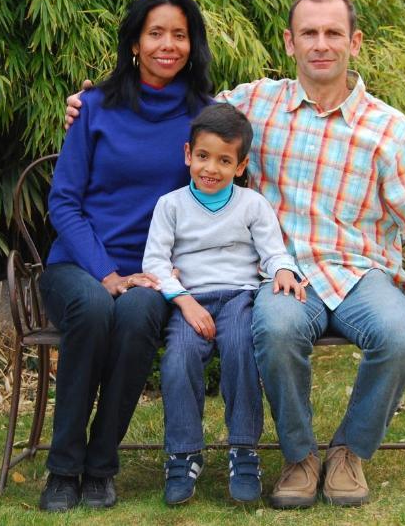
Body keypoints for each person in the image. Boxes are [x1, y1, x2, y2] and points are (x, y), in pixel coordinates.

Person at [66, 0, 405, 508]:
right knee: (276, 330)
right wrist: (94, 104)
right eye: (309, 33)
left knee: (399, 335)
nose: (320, 45)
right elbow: (172, 108)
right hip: (281, 276)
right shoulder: (254, 103)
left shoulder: (388, 128)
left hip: (358, 272)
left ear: (355, 42)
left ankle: (349, 452)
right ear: (290, 42)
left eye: (333, 33)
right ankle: (301, 457)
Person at [38, 0, 213, 512]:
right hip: (77, 262)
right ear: (135, 42)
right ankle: (63, 469)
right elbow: (63, 203)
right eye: (155, 33)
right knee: (93, 308)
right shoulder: (94, 107)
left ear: (192, 44)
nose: (168, 45)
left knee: (138, 314)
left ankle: (100, 463)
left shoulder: (206, 113)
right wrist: (106, 272)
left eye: (179, 35)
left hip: (155, 272)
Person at [141, 103, 306, 506]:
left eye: (224, 160)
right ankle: (183, 455)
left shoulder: (251, 204)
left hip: (238, 297)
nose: (210, 168)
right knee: (177, 359)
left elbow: (272, 250)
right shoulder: (171, 205)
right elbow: (155, 262)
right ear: (187, 155)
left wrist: (283, 269)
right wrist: (182, 301)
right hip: (189, 301)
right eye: (202, 156)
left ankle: (244, 451)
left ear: (241, 165)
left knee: (240, 353)